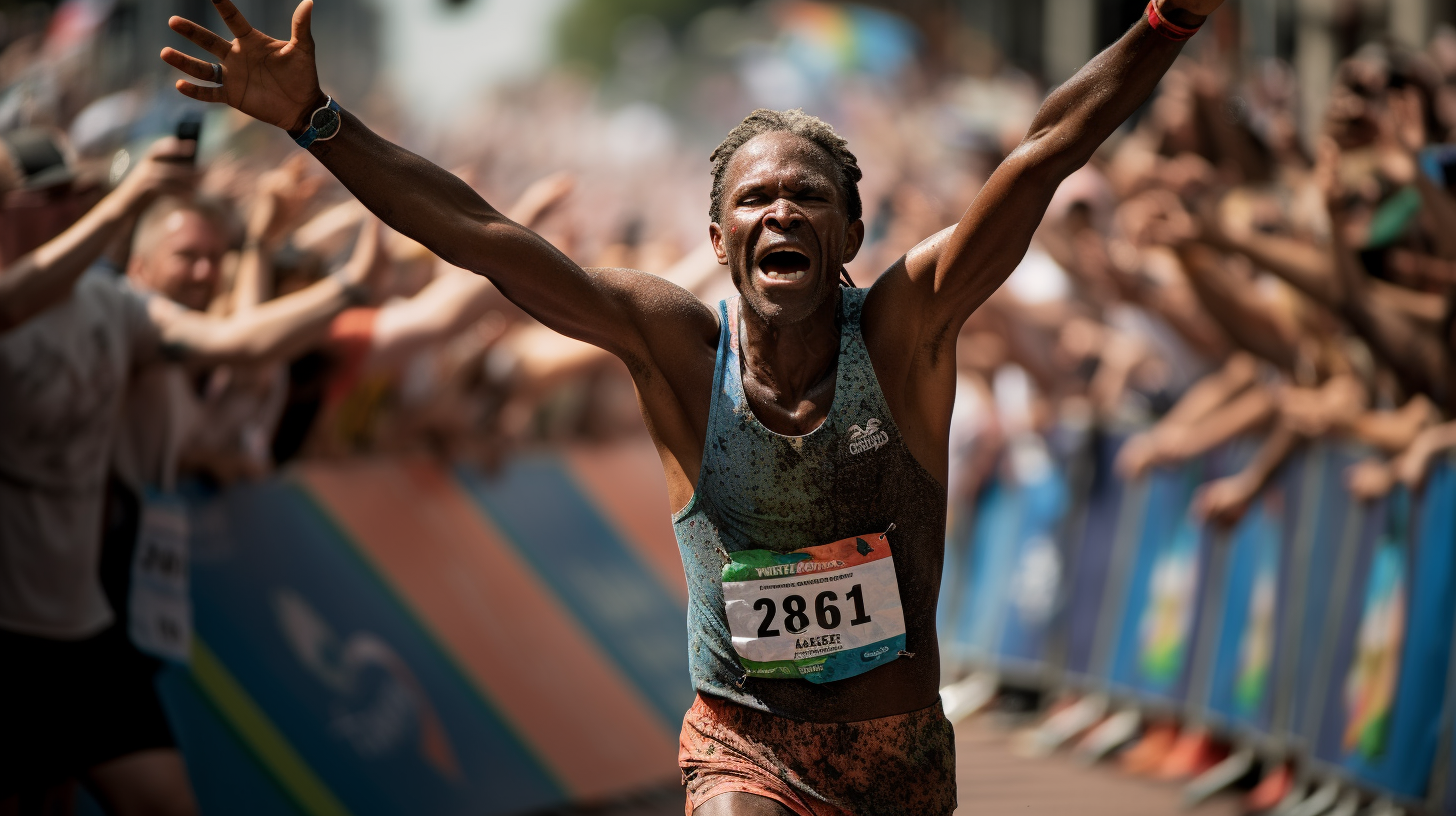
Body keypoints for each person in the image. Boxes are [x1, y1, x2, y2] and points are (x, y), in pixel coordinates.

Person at [160, 0, 1225, 811]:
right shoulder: (673, 348)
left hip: (899, 759)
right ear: (718, 243)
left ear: (850, 234)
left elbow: (1038, 159)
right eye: (752, 200)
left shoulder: (905, 336)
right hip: (741, 747)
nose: (778, 213)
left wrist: (1164, 22)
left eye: (807, 196)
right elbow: (484, 238)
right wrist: (317, 120)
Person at [0, 136, 379, 815]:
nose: (74, 205)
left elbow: (235, 342)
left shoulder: (112, 304)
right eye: (54, 195)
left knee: (166, 803)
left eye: (78, 191)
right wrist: (131, 201)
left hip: (81, 628)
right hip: (6, 629)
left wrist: (348, 288)